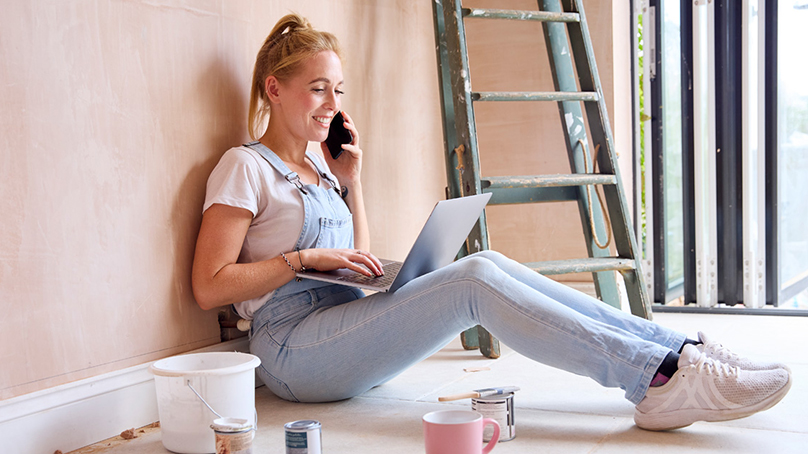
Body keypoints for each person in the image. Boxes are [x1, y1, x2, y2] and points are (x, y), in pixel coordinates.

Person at [191, 13, 791, 432]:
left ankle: (677, 349)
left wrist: (353, 183)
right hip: (290, 348)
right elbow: (208, 285)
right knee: (474, 282)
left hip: (337, 323)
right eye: (317, 88)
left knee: (487, 265)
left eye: (338, 90)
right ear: (275, 88)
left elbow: (360, 265)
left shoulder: (324, 170)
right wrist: (299, 261)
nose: (332, 105)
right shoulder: (245, 167)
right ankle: (657, 379)